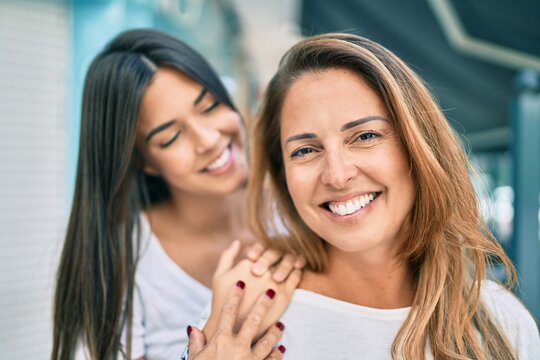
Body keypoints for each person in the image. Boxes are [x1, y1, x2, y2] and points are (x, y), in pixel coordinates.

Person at [242, 32, 540, 359]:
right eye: (305, 150)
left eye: (365, 136)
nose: (338, 175)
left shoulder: (502, 322)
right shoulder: (251, 318)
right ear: (282, 174)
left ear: (418, 147)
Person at [51, 29, 303, 360]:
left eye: (210, 106)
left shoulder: (301, 203)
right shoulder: (120, 261)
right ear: (144, 162)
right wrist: (216, 329)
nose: (209, 139)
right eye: (171, 137)